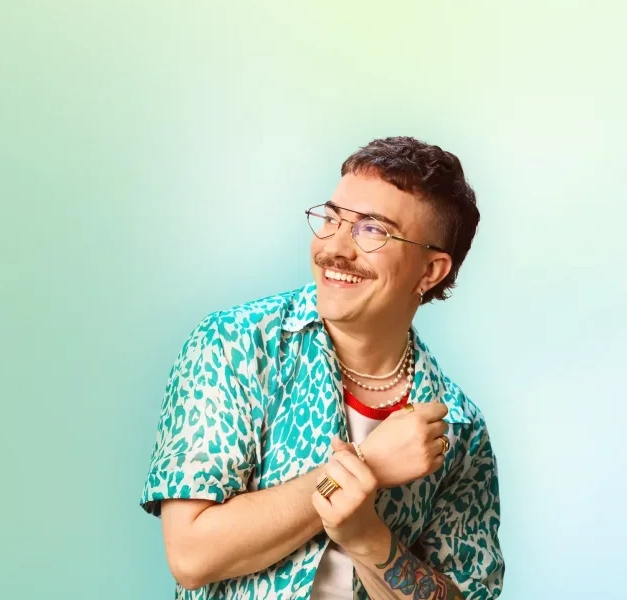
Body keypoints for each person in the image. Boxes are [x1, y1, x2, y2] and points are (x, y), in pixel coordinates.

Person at [140, 137, 504, 599]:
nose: (336, 247)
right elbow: (192, 556)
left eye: (372, 230)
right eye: (332, 219)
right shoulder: (236, 345)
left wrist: (368, 538)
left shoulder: (458, 427)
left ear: (430, 271)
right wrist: (366, 467)